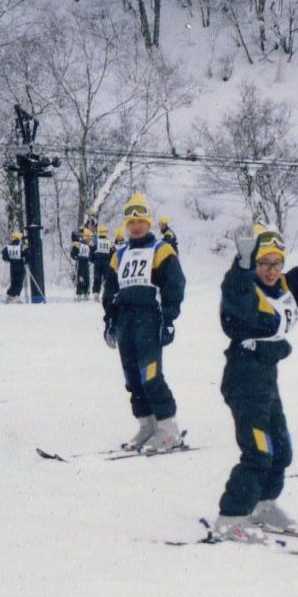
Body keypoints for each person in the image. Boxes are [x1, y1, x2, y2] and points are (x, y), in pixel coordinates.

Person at [209, 225, 298, 542]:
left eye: (277, 263)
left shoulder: (283, 290)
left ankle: (264, 504)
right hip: (244, 380)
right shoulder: (246, 291)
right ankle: (231, 516)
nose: (271, 270)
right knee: (259, 453)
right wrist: (242, 265)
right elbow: (235, 293)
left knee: (281, 450)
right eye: (263, 263)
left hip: (267, 381)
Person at [102, 192, 186, 453]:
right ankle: (147, 424)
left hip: (150, 319)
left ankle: (169, 429)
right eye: (131, 222)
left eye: (140, 221)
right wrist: (110, 320)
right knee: (132, 377)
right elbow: (111, 291)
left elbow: (175, 285)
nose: (136, 226)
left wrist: (169, 319)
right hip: (126, 320)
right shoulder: (120, 253)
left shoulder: (161, 250)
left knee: (150, 375)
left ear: (148, 223)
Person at [1, 229, 27, 302]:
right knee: (19, 282)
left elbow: (4, 255)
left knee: (14, 282)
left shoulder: (9, 247)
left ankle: (10, 296)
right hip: (20, 266)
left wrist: (10, 259)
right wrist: (26, 259)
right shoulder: (21, 246)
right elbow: (27, 254)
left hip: (12, 267)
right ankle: (16, 296)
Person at [71, 227, 93, 300]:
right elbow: (73, 253)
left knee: (87, 278)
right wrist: (76, 257)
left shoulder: (89, 245)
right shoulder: (78, 244)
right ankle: (79, 294)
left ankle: (86, 293)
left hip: (86, 263)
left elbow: (91, 254)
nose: (89, 238)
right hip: (81, 263)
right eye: (88, 237)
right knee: (80, 278)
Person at [91, 221, 112, 295]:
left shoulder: (96, 241)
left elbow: (92, 251)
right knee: (106, 278)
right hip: (106, 263)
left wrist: (92, 260)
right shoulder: (109, 242)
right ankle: (107, 292)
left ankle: (96, 293)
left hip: (98, 262)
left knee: (97, 278)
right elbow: (112, 253)